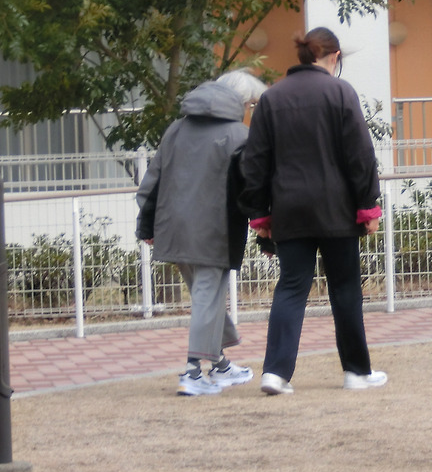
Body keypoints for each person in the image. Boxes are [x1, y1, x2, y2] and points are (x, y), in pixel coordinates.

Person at [239, 27, 387, 394]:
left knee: (291, 287)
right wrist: (368, 206)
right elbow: (360, 155)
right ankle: (356, 372)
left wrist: (259, 214)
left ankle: (275, 373)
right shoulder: (341, 92)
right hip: (338, 211)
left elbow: (255, 161)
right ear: (335, 57)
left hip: (289, 210)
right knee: (345, 288)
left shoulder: (271, 98)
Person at [136, 69, 266, 396]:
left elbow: (153, 180)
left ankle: (220, 365)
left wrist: (147, 225)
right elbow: (251, 189)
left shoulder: (176, 129)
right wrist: (265, 223)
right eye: (250, 104)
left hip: (173, 226)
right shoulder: (239, 135)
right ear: (240, 101)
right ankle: (193, 371)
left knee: (204, 296)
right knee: (207, 296)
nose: (250, 110)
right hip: (214, 230)